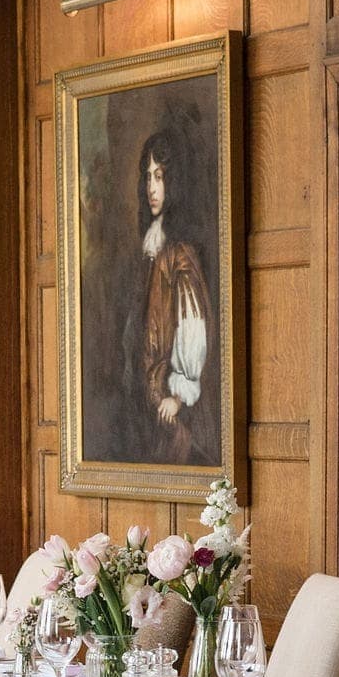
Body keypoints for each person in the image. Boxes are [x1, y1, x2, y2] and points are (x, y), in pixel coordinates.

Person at [132, 130, 218, 466]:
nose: (151, 188)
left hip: (175, 412)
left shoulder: (179, 254)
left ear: (174, 181)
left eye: (159, 176)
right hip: (154, 402)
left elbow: (192, 325)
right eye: (148, 177)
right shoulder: (155, 249)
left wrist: (178, 396)